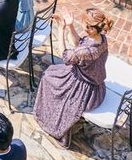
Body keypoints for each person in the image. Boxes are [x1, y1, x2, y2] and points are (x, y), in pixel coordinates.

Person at [33, 8, 113, 147]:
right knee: (51, 73)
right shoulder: (101, 39)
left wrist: (61, 29)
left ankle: (49, 119)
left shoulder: (87, 51)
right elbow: (79, 43)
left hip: (85, 90)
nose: (82, 25)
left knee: (48, 78)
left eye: (84, 24)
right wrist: (70, 26)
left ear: (91, 29)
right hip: (95, 84)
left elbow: (65, 56)